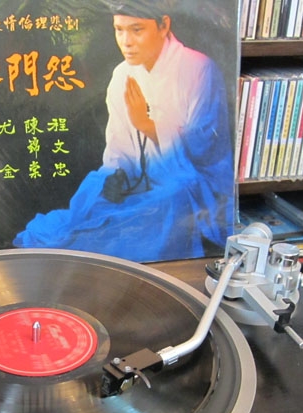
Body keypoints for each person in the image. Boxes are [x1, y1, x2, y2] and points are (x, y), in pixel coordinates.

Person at [13, 0, 235, 262]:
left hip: (192, 184)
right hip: (139, 182)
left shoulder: (199, 69)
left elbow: (204, 149)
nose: (126, 41)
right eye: (119, 30)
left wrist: (148, 125)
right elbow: (119, 150)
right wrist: (114, 177)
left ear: (164, 26)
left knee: (169, 198)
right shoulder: (121, 75)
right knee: (93, 192)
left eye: (137, 30)